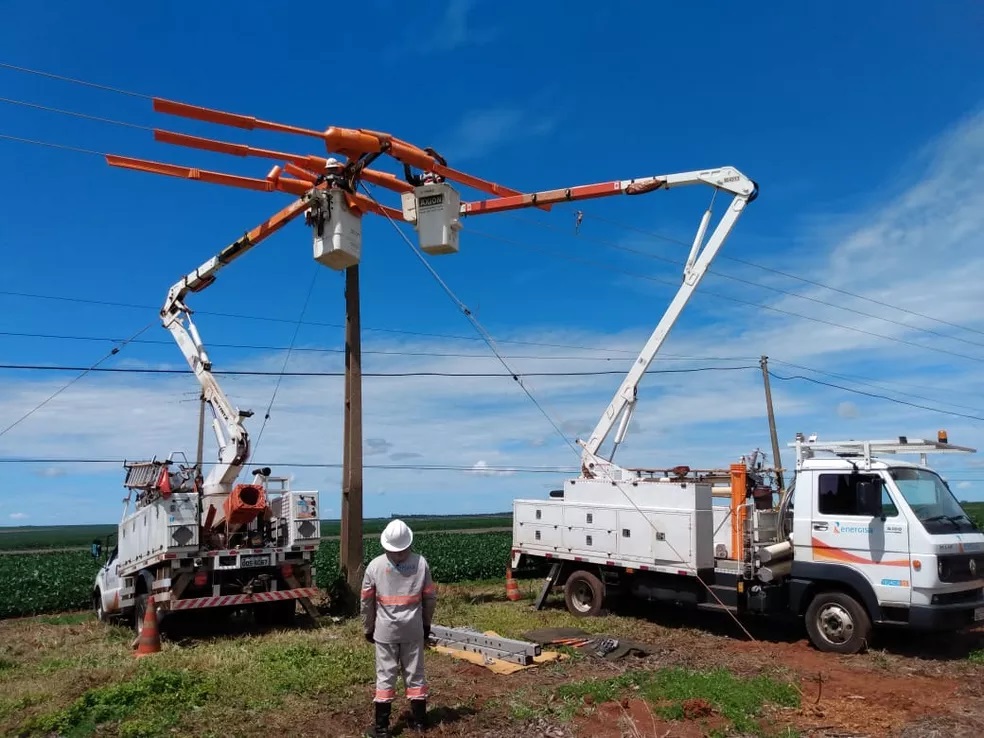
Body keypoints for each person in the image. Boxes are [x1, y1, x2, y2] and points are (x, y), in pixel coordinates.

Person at [361, 519, 437, 737]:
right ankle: (421, 722)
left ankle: (382, 728)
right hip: (413, 629)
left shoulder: (375, 566)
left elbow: (366, 602)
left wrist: (368, 627)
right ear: (408, 543)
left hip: (385, 631)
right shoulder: (421, 563)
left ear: (386, 544)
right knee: (415, 674)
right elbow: (430, 598)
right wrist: (425, 624)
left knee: (385, 676)